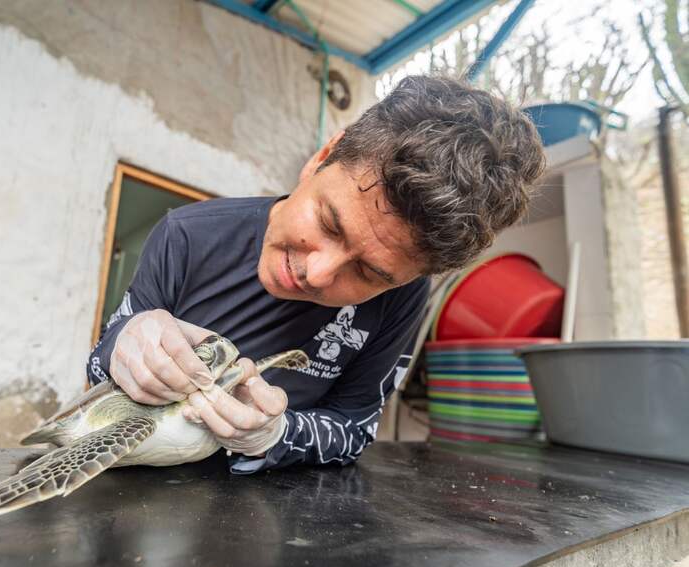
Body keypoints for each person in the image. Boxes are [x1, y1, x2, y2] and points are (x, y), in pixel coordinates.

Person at [87, 75, 545, 474]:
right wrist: (123, 342)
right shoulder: (188, 235)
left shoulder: (403, 296)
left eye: (369, 272)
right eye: (329, 223)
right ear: (322, 158)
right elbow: (95, 376)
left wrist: (277, 435)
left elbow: (355, 427)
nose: (317, 274)